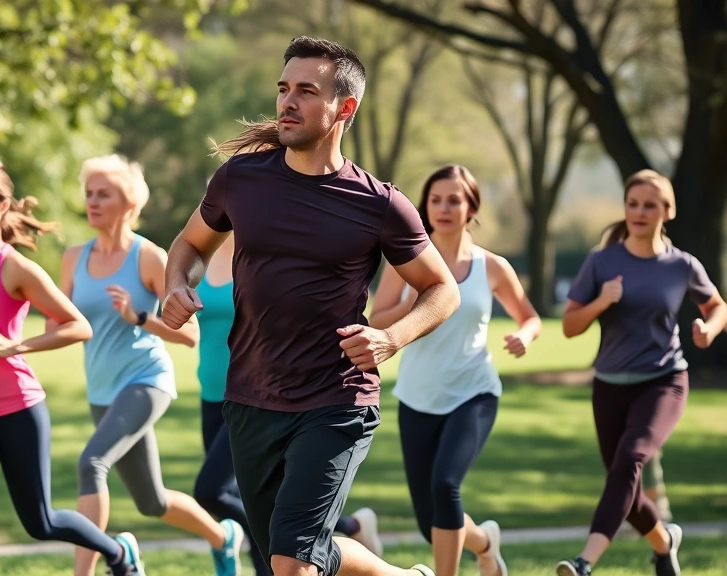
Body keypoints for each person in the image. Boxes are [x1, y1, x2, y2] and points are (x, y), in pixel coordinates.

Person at [162, 36, 460, 576]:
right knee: (292, 552)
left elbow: (443, 289)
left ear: (344, 108)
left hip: (335, 399)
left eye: (305, 90)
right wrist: (175, 284)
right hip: (250, 397)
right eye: (283, 89)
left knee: (291, 562)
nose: (287, 102)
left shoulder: (381, 204)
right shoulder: (240, 179)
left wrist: (391, 338)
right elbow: (188, 246)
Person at [0, 157, 146, 576]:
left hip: (16, 410)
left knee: (41, 522)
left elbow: (79, 326)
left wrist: (18, 345)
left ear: (1, 205)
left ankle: (120, 554)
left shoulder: (14, 268)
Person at [58, 154, 244, 576]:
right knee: (152, 501)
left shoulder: (148, 257)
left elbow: (190, 333)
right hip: (101, 388)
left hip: (146, 380)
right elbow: (61, 318)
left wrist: (140, 318)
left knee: (91, 464)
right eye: (89, 193)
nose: (92, 201)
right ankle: (224, 537)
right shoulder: (73, 258)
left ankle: (97, 567)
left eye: (103, 193)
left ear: (129, 202)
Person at [370, 165, 541, 576]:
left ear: (471, 207)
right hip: (417, 396)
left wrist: (525, 337)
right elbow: (377, 320)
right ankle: (485, 543)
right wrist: (421, 297)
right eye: (436, 199)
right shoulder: (404, 261)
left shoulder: (492, 266)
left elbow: (530, 317)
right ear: (425, 207)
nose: (444, 208)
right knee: (434, 524)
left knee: (445, 485)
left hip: (474, 393)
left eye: (454, 199)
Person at [556, 169, 727, 576]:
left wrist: (709, 328)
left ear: (668, 211)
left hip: (663, 381)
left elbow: (717, 305)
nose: (639, 211)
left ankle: (583, 563)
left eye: (650, 205)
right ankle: (665, 543)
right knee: (626, 489)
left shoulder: (681, 265)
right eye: (633, 203)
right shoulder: (602, 261)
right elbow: (569, 325)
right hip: (610, 385)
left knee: (629, 461)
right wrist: (601, 302)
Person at [193, 232, 386, 576]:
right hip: (211, 397)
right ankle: (348, 527)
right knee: (259, 505)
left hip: (258, 396)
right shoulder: (201, 257)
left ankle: (323, 537)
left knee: (212, 491)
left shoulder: (264, 251)